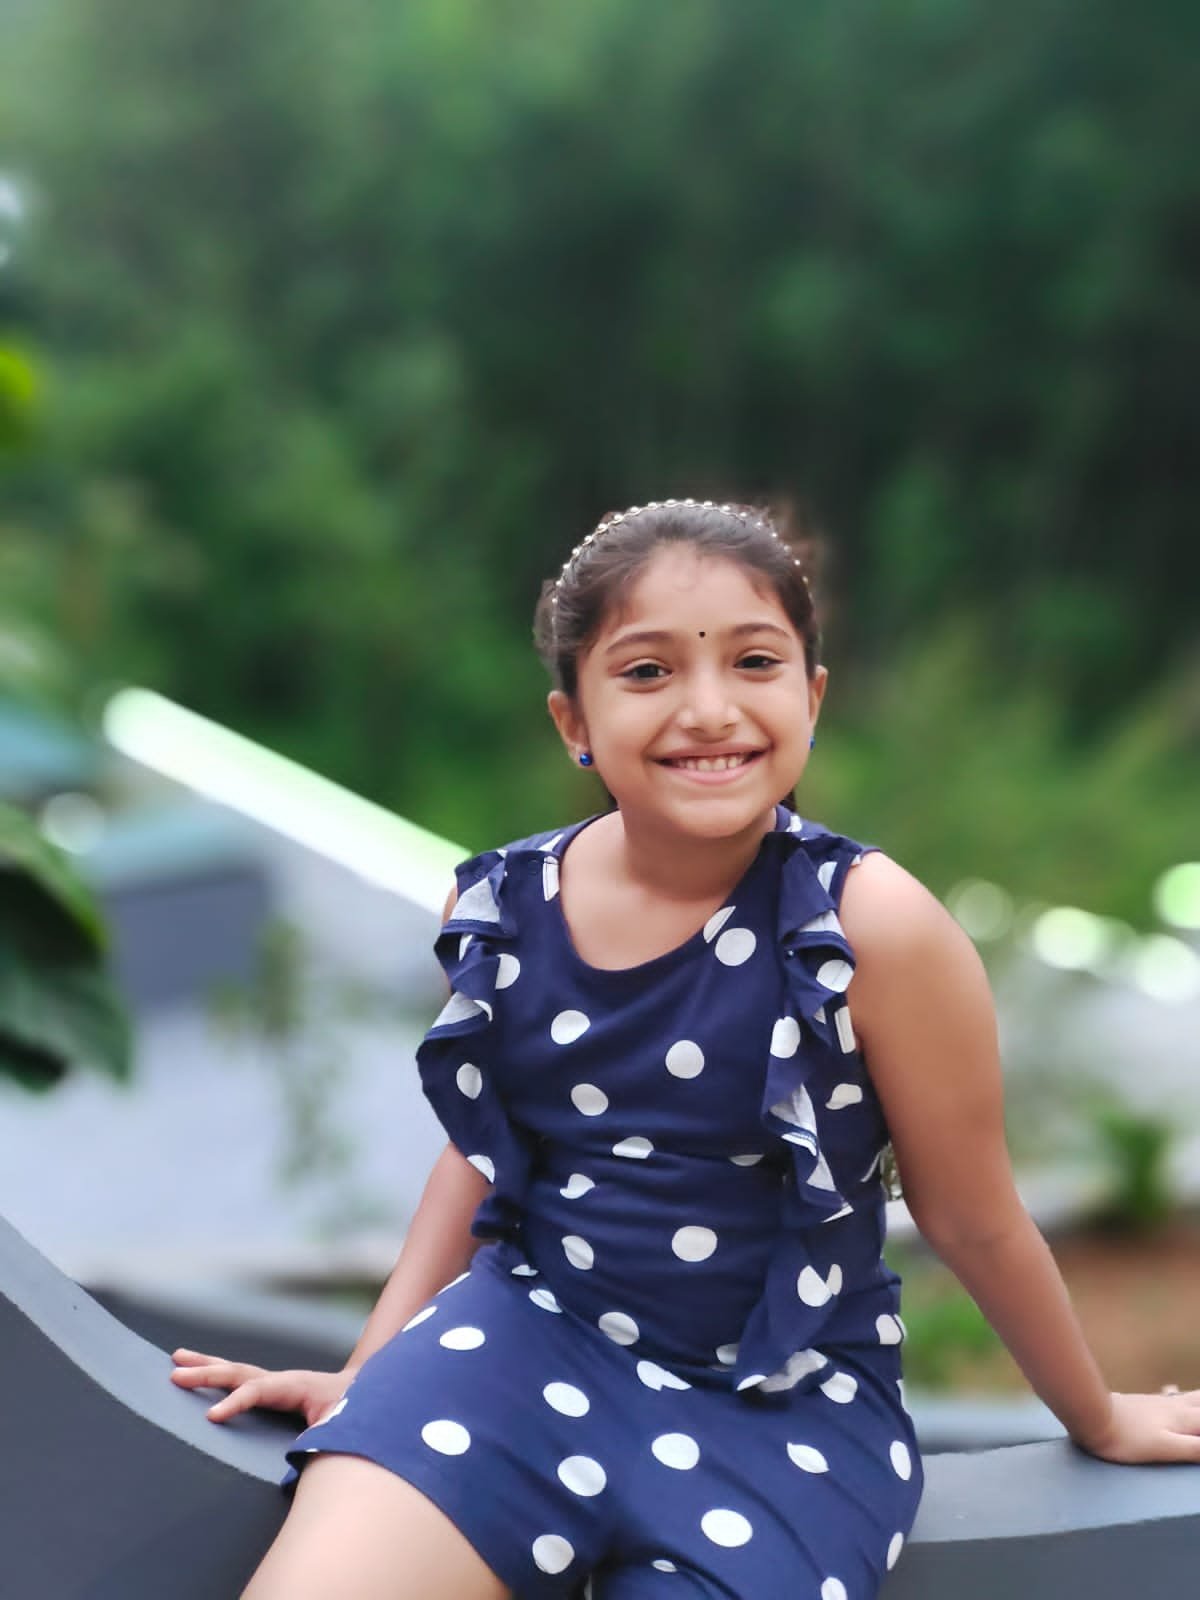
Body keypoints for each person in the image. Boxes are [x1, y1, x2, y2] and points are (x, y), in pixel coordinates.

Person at [170, 499, 1200, 1599]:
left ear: (811, 697)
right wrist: (369, 1371)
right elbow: (480, 1156)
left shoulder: (872, 926)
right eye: (648, 671)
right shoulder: (502, 907)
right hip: (517, 1352)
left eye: (754, 662)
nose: (709, 710)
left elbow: (972, 1215)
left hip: (780, 1408)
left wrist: (1097, 1414)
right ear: (573, 719)